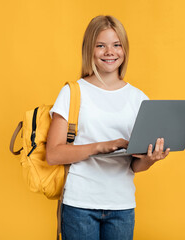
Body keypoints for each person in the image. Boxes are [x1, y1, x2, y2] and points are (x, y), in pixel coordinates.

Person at [46, 15, 170, 240]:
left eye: (116, 45)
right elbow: (54, 154)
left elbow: (135, 166)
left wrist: (150, 159)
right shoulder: (73, 92)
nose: (109, 52)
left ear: (124, 49)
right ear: (90, 50)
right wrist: (102, 146)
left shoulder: (138, 98)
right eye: (101, 45)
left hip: (122, 206)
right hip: (79, 206)